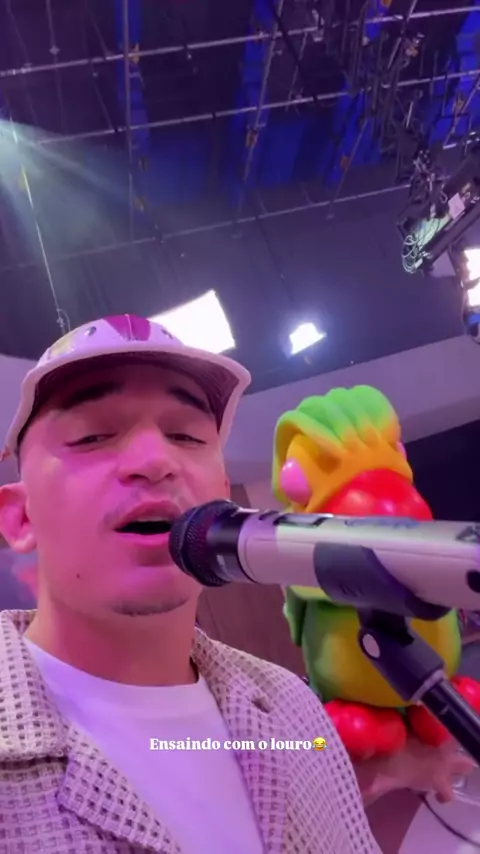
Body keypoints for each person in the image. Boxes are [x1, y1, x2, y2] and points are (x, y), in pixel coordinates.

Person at [0, 314, 473, 854]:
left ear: (222, 496)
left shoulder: (289, 704)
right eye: (92, 436)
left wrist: (393, 762)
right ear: (19, 516)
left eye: (185, 435)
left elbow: (312, 753)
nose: (156, 461)